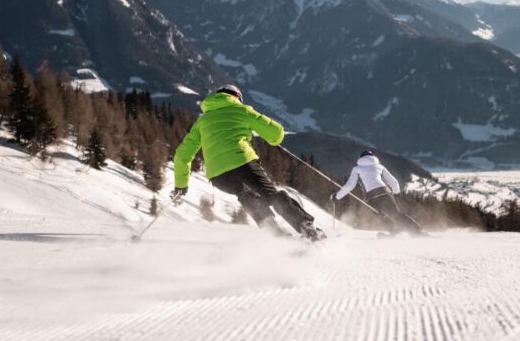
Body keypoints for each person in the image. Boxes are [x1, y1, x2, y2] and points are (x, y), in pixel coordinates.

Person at [172, 85, 325, 241]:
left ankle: (275, 233)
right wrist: (268, 136)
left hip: (217, 175)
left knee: (246, 196)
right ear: (237, 97)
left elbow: (182, 156)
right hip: (243, 162)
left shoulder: (202, 121)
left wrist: (181, 185)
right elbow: (277, 133)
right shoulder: (242, 110)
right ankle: (306, 226)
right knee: (270, 194)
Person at [335, 150, 423, 235]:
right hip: (385, 192)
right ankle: (417, 231)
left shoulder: (357, 169)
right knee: (396, 214)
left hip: (371, 197)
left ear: (360, 158)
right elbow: (393, 181)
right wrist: (396, 192)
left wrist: (337, 196)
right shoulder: (379, 166)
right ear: (373, 157)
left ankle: (394, 232)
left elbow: (350, 185)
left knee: (381, 215)